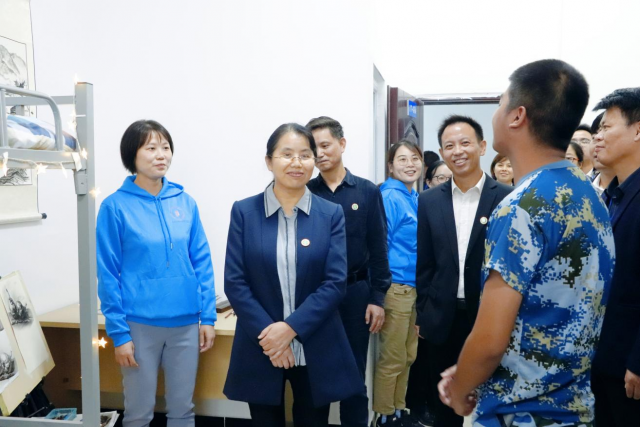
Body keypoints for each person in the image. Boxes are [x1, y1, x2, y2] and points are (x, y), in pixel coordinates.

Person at [438, 59, 615, 426]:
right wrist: (469, 368)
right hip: (574, 409)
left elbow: (490, 341)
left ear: (517, 116)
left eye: (500, 103)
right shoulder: (589, 195)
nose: (496, 113)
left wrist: (459, 389)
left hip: (519, 413)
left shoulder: (522, 207)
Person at [223, 123, 362, 427]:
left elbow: (334, 283)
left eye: (305, 155)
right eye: (287, 154)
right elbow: (235, 282)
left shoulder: (330, 214)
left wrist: (290, 329)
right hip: (261, 344)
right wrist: (271, 337)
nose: (296, 163)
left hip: (316, 342)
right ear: (269, 161)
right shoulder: (244, 212)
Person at [97, 120, 217, 427]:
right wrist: (119, 334)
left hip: (186, 323)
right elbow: (107, 273)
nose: (161, 155)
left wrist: (207, 317)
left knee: (183, 410)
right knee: (138, 413)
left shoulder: (185, 203)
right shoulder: (114, 207)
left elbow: (202, 262)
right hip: (139, 325)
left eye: (165, 147)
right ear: (132, 155)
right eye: (151, 148)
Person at [415, 115, 512, 427]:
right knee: (446, 404)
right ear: (442, 152)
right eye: (449, 145)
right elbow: (425, 264)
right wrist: (423, 313)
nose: (457, 151)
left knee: (491, 401)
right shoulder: (428, 200)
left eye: (465, 143)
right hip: (442, 319)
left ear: (482, 147)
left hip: (489, 318)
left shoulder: (507, 197)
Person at [305, 116, 392, 427]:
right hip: (314, 297)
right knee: (314, 377)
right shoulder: (305, 192)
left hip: (355, 294)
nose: (319, 154)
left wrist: (377, 298)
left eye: (325, 145)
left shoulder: (366, 191)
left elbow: (379, 248)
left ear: (342, 144)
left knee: (354, 377)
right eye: (313, 148)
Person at [591, 87, 640, 426]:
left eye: (607, 127)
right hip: (605, 357)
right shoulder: (614, 195)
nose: (598, 136)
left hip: (630, 364)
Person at [373, 140, 423, 426]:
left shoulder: (413, 196)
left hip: (412, 287)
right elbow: (380, 245)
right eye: (402, 159)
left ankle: (399, 408)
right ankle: (384, 414)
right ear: (390, 166)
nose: (410, 164)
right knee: (393, 357)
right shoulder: (390, 196)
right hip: (395, 288)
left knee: (408, 355)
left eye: (414, 158)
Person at [406, 159, 451, 426]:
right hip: (422, 293)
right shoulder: (424, 203)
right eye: (440, 178)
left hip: (454, 298)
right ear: (429, 181)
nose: (445, 182)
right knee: (420, 358)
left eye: (449, 177)